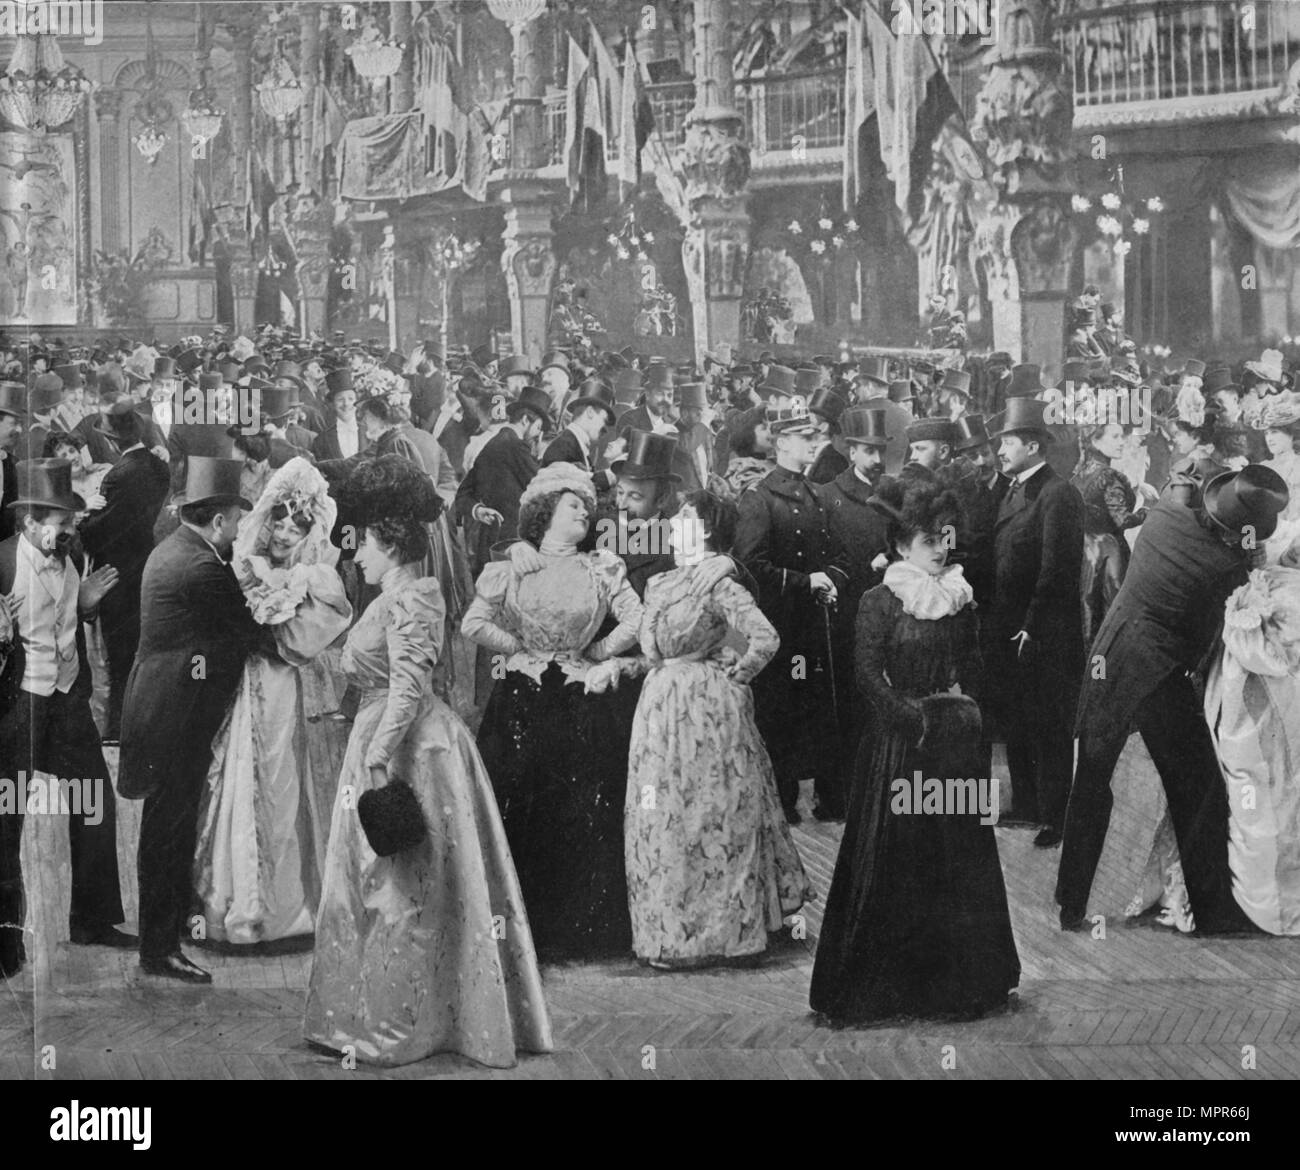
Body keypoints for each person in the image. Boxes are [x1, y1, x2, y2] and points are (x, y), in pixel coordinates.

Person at [304, 456, 552, 1067]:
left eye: (363, 542)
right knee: (389, 885)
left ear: (389, 543)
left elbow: (410, 687)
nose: (355, 553)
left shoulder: (414, 596)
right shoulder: (392, 592)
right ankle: (376, 1011)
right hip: (386, 735)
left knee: (405, 887)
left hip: (412, 748)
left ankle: (405, 1022)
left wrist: (381, 760)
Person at [809, 478, 1019, 1022]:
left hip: (953, 749)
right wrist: (914, 719)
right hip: (901, 748)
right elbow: (866, 676)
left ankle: (957, 985)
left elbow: (975, 671)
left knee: (957, 861)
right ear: (902, 545)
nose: (943, 548)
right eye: (930, 541)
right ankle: (887, 988)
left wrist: (967, 716)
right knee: (898, 863)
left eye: (946, 538)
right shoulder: (880, 600)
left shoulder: (959, 598)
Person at [1057, 465, 1289, 934]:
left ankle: (1069, 901)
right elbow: (1238, 599)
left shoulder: (1164, 516)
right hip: (1157, 674)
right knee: (1198, 787)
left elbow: (1181, 489)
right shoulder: (1224, 567)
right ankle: (1213, 914)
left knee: (1092, 778)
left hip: (1109, 653)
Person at [464, 463, 644, 960]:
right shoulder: (511, 566)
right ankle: (519, 927)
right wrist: (518, 645)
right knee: (521, 800)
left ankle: (581, 930)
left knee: (583, 805)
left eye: (587, 508)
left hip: (581, 699)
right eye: (573, 506)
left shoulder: (601, 566)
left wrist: (600, 653)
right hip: (522, 699)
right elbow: (473, 623)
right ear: (545, 512)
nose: (584, 514)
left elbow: (637, 617)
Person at [625, 491, 810, 969]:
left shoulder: (720, 582)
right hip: (658, 710)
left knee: (713, 812)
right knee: (661, 815)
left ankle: (726, 935)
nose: (671, 523)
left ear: (706, 529)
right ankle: (669, 935)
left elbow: (767, 638)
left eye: (684, 517)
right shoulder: (659, 583)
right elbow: (651, 651)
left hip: (708, 712)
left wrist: (736, 675)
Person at [119, 456, 268, 983]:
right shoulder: (201, 564)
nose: (238, 530)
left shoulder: (177, 547)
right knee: (169, 829)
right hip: (174, 714)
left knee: (168, 824)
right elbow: (251, 631)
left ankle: (165, 934)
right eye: (236, 518)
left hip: (162, 706)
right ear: (220, 520)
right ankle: (160, 949)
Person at [194, 459, 352, 944]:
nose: (284, 534)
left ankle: (281, 912)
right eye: (279, 523)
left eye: (295, 527)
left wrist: (274, 631)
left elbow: (311, 637)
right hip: (239, 684)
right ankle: (229, 905)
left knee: (279, 779)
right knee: (234, 774)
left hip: (282, 685)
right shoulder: (242, 565)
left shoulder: (316, 578)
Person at [0, 460, 129, 979]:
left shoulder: (71, 555)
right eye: (60, 518)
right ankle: (7, 944)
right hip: (19, 706)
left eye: (72, 517)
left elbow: (67, 619)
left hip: (67, 700)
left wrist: (88, 605)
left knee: (94, 801)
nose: (71, 526)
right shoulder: (3, 563)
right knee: (7, 823)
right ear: (29, 520)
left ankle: (94, 919)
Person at [734, 400, 849, 823]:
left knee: (815, 708)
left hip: (812, 627)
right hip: (780, 627)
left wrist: (830, 581)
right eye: (805, 438)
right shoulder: (759, 498)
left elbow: (837, 556)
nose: (813, 443)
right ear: (782, 443)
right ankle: (781, 800)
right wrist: (806, 582)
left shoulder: (817, 496)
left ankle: (822, 797)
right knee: (778, 712)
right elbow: (749, 568)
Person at [984, 398, 1085, 846]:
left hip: (1044, 632)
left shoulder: (1057, 493)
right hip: (1013, 626)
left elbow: (1057, 569)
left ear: (1032, 445)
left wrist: (1032, 625)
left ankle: (1057, 817)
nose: (1000, 451)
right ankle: (1026, 804)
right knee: (1019, 717)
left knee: (1049, 725)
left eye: (1007, 442)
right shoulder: (1014, 488)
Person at [76, 402, 170, 741]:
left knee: (118, 655)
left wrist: (83, 515)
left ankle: (117, 727)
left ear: (112, 442)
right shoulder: (159, 466)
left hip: (113, 575)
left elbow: (98, 531)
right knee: (138, 648)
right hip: (143, 565)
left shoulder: (118, 474)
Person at [1072, 421, 1156, 642]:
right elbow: (1123, 520)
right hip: (1109, 551)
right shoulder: (1109, 476)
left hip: (1085, 549)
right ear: (1095, 441)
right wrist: (1148, 511)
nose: (1122, 442)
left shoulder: (1080, 473)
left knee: (1089, 610)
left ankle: (1093, 669)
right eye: (1115, 437)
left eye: (1122, 436)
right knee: (1113, 610)